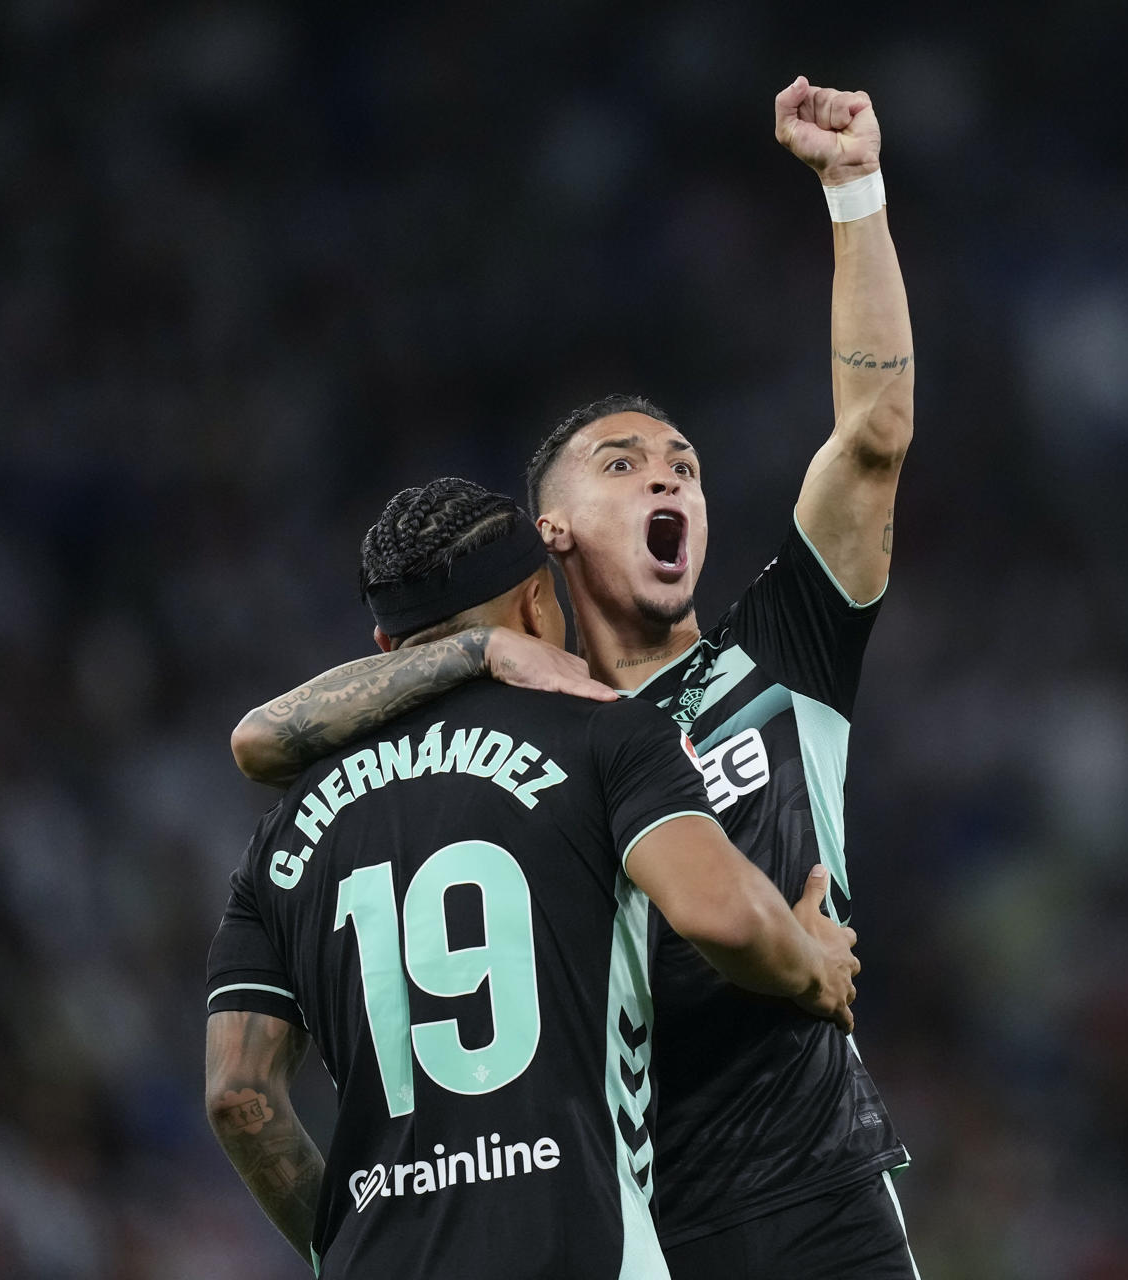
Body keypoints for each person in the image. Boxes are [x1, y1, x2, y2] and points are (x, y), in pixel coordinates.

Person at [230, 77, 918, 1278]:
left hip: (822, 1198)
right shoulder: (516, 740)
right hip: (625, 1227)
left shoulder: (780, 652)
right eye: (626, 463)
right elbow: (267, 738)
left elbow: (872, 436)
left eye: (686, 465)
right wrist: (477, 649)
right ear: (551, 534)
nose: (672, 481)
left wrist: (854, 190)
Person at [205, 478, 861, 1279]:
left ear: (383, 651)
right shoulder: (603, 736)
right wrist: (811, 966)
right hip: (577, 1249)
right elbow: (724, 917)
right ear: (535, 606)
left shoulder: (280, 839)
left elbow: (239, 1097)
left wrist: (335, 1248)